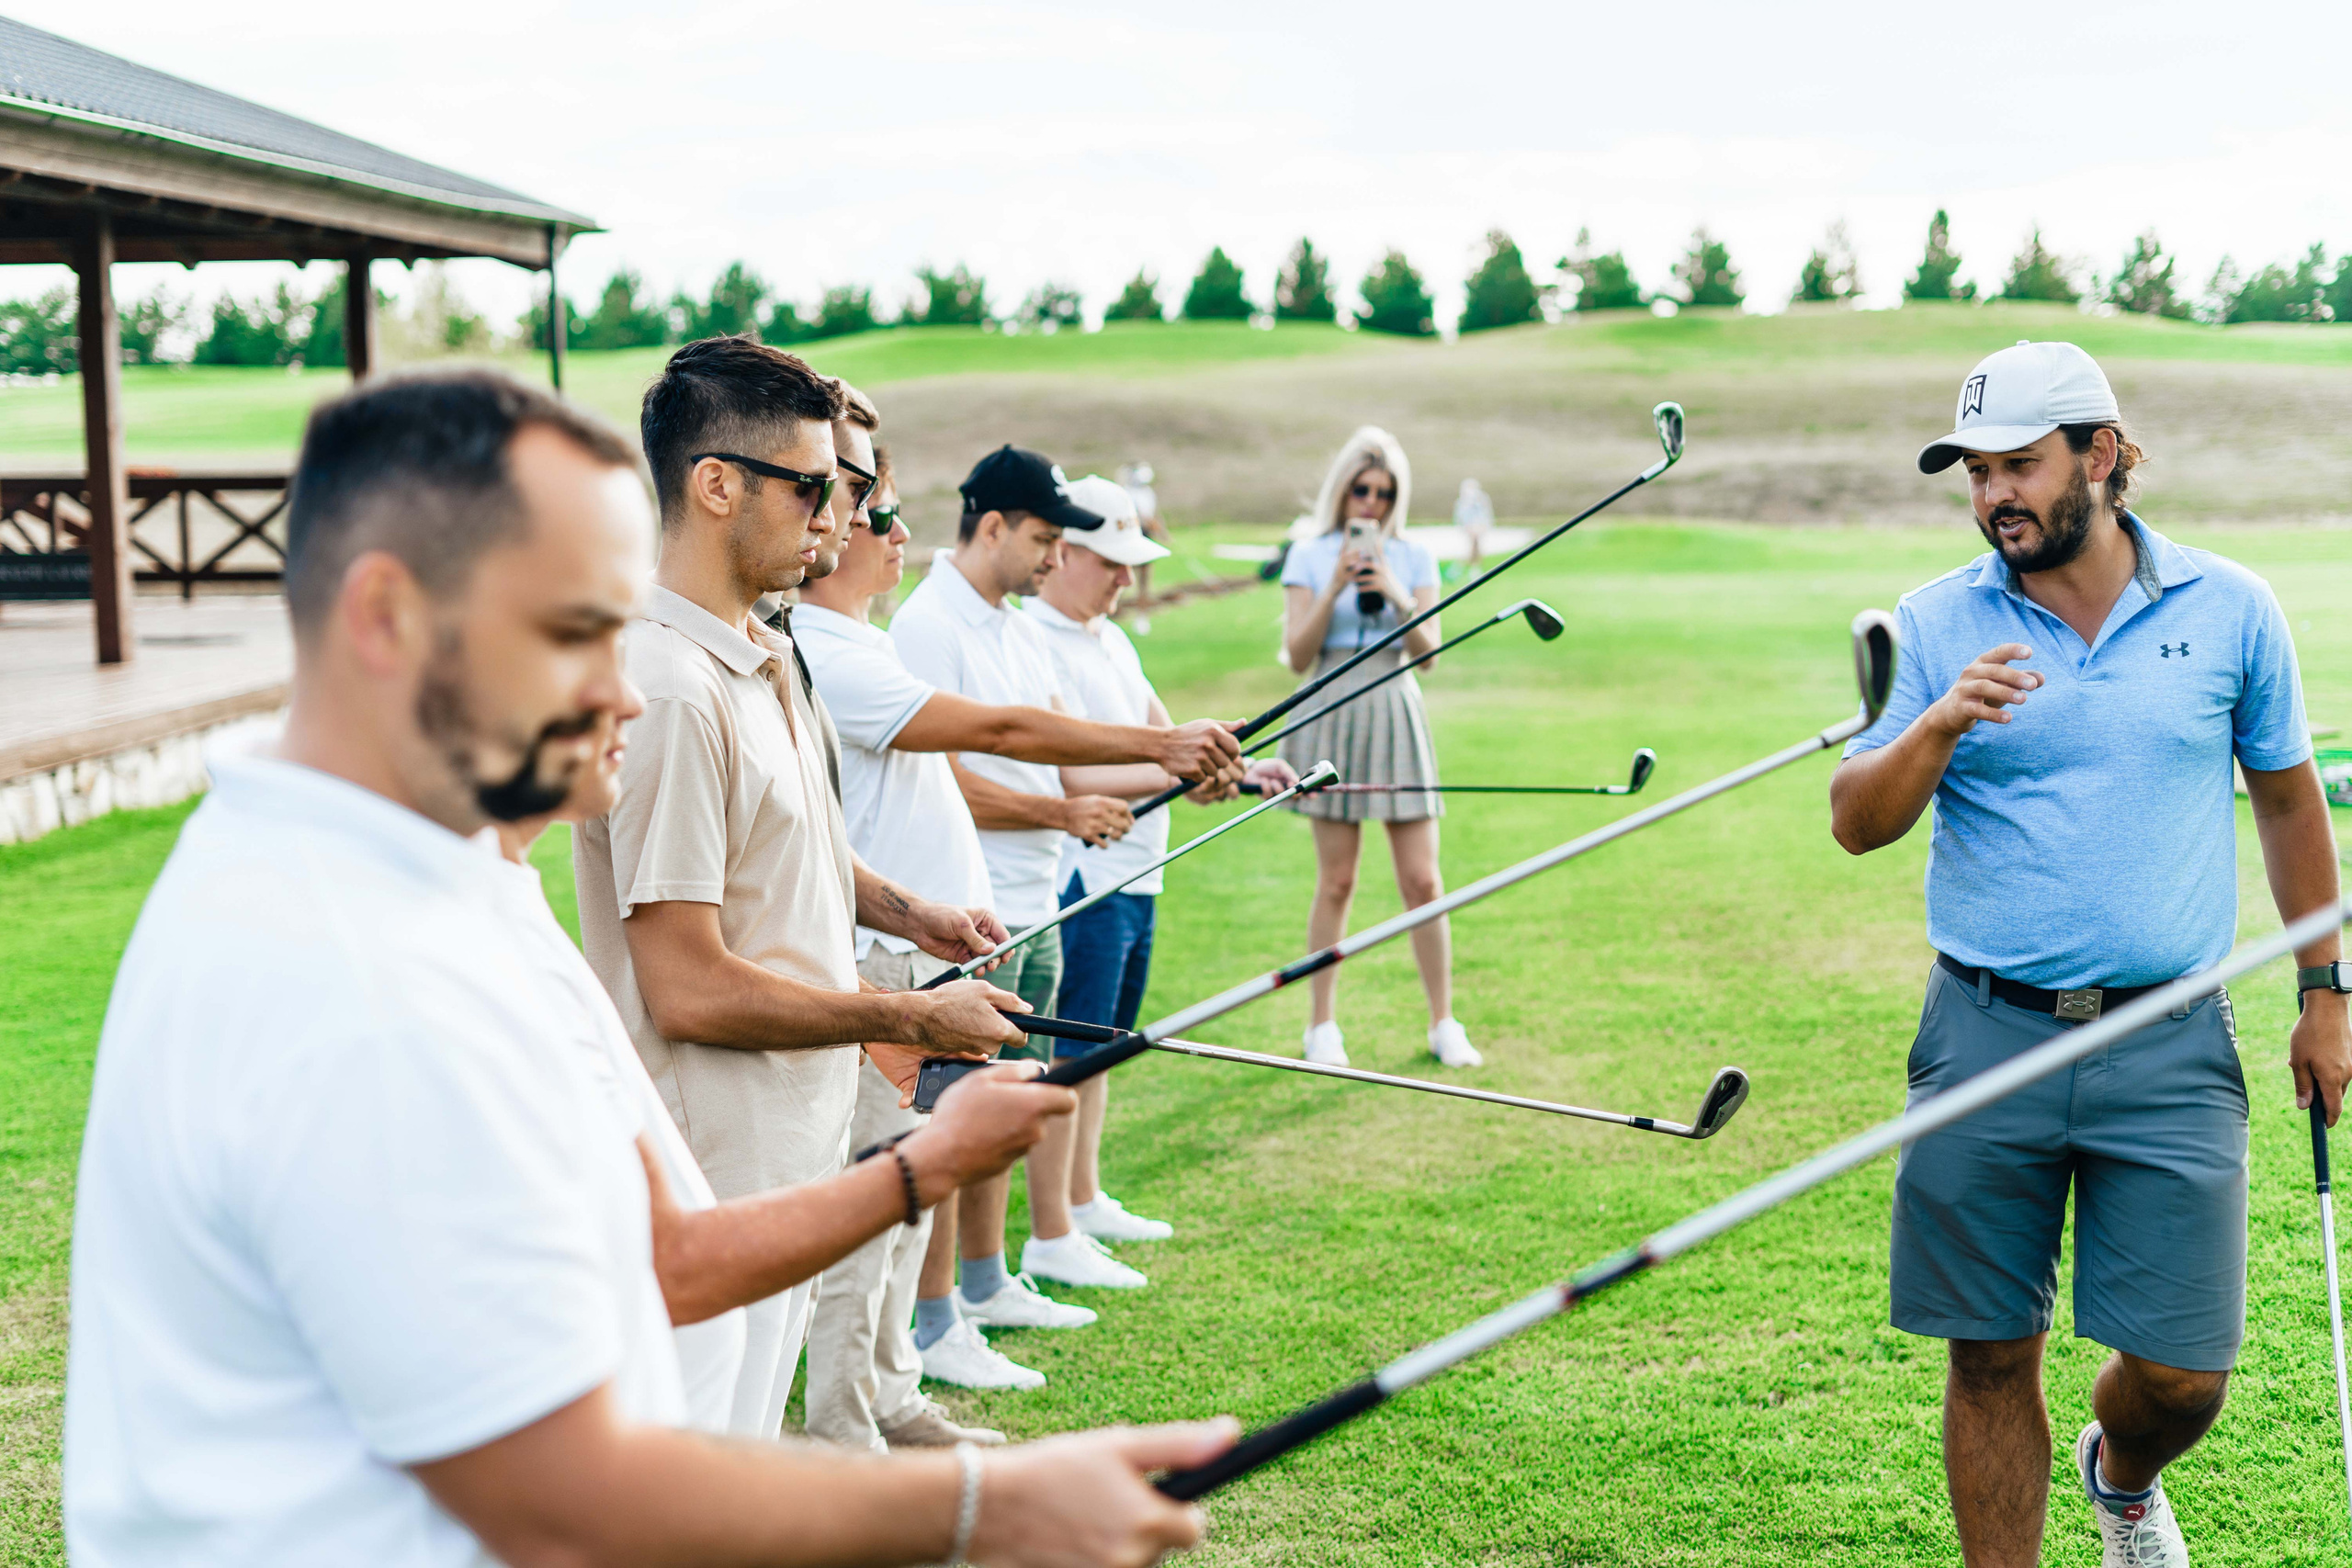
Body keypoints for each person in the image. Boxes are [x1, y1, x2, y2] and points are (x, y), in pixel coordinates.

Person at [63, 367, 1229, 1566]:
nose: (627, 684)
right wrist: (988, 1509)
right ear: (388, 615)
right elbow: (564, 1500)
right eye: (577, 628)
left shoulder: (450, 878)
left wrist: (923, 1157)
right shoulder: (350, 973)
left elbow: (662, 1252)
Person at [1829, 340, 2352, 1568]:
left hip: (2170, 1036)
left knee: (2184, 1375)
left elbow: (2287, 801)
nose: (1992, 494)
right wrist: (1941, 722)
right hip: (1985, 1027)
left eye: (2018, 464)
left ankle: (2120, 1477)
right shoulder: (1936, 619)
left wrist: (2326, 991)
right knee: (1991, 1351)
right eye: (1974, 473)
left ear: (2101, 457)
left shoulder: (2231, 608)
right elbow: (1858, 818)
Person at [574, 337, 1030, 1442]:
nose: (841, 517)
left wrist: (910, 918)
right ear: (717, 484)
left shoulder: (765, 653)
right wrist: (904, 1012)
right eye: (816, 487)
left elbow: (793, 863)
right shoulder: (672, 690)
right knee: (697, 1480)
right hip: (716, 1173)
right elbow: (684, 987)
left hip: (794, 1140)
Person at [890, 445, 1245, 1332]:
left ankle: (986, 1277)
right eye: (1046, 539)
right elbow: (947, 781)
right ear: (995, 526)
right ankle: (935, 1318)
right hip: (969, 912)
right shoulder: (927, 625)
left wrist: (1175, 757)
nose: (1056, 558)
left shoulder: (1006, 622)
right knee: (952, 1119)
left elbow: (1064, 743)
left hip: (1037, 902)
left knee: (1010, 1100)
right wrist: (1066, 812)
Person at [1030, 474, 1296, 1258]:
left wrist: (1241, 771)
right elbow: (1074, 778)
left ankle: (1084, 1195)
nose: (1125, 577)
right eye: (1111, 561)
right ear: (1064, 551)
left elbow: (1165, 738)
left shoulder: (1114, 639)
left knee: (1105, 1042)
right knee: (1069, 1054)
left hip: (1141, 872)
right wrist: (1185, 768)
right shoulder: (1036, 642)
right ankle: (1054, 1232)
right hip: (1085, 876)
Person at [1278, 425, 1477, 1069]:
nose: (1372, 503)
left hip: (1395, 704)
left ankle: (1444, 1021)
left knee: (1423, 879)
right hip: (1330, 706)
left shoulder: (1414, 556)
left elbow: (1430, 657)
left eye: (1385, 493)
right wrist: (1335, 585)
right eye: (1362, 489)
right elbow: (1297, 656)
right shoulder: (1307, 554)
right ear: (1343, 489)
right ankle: (1321, 1025)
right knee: (1337, 879)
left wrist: (1392, 590)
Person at [1115, 460, 1169, 629]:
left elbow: (1154, 514)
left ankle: (1141, 614)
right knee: (1125, 573)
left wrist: (1162, 531)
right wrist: (1148, 523)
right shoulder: (1127, 492)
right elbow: (1134, 516)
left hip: (1147, 536)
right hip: (1132, 536)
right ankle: (1116, 610)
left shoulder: (1148, 492)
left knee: (1144, 577)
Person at [1453, 476, 1494, 567]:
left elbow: (1486, 513)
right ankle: (1462, 566)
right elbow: (1460, 516)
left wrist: (1483, 526)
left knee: (1476, 548)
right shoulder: (1462, 502)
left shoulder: (1481, 499)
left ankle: (1473, 566)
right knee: (1471, 548)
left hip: (1479, 527)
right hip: (1469, 528)